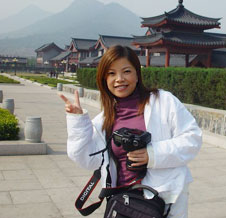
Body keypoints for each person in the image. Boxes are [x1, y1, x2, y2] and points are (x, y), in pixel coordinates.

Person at [59, 45, 202, 218]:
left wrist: (152, 154)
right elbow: (86, 160)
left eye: (126, 71)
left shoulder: (163, 102)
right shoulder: (104, 120)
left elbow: (192, 138)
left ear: (136, 74)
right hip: (125, 204)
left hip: (164, 200)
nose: (119, 79)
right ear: (104, 79)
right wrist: (78, 121)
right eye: (111, 73)